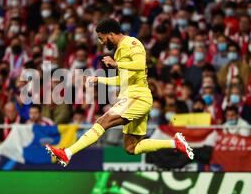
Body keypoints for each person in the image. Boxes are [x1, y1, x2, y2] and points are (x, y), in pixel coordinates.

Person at [45, 18, 193, 167]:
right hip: (134, 97)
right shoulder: (119, 51)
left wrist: (117, 64)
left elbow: (141, 64)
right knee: (131, 148)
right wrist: (99, 80)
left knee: (102, 122)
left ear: (110, 34)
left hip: (137, 96)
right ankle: (175, 143)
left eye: (101, 38)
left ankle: (67, 153)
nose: (102, 42)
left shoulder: (131, 43)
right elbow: (123, 79)